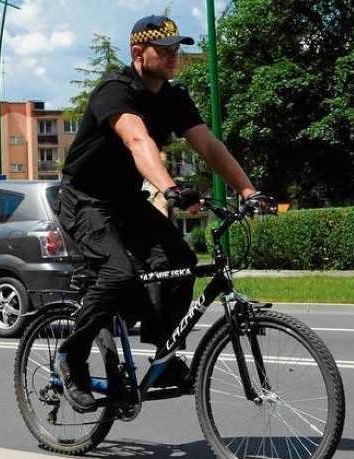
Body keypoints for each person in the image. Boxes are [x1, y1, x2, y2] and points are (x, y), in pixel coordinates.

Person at [53, 15, 276, 412]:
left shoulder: (173, 97)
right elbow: (138, 139)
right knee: (118, 274)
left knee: (180, 262)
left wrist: (249, 190)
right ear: (139, 53)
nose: (175, 57)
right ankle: (71, 357)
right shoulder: (114, 90)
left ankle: (164, 354)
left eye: (178, 50)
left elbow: (208, 145)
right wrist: (169, 188)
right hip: (85, 199)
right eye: (166, 50)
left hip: (125, 200)